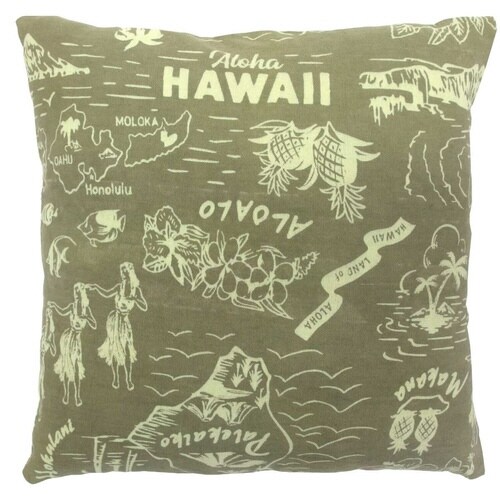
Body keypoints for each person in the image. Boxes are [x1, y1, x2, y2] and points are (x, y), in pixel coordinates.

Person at [88, 262, 147, 391]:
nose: (123, 275)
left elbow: (144, 306)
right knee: (114, 349)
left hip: (125, 322)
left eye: (126, 272)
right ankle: (115, 377)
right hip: (114, 321)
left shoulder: (136, 290)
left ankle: (128, 379)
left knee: (127, 350)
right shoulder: (119, 287)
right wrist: (96, 287)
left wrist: (135, 299)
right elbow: (106, 293)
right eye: (122, 273)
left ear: (131, 273)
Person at [49, 283, 96, 406]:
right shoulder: (72, 307)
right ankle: (66, 393)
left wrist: (87, 317)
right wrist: (54, 306)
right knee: (66, 365)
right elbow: (62, 311)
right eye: (75, 293)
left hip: (77, 340)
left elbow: (94, 324)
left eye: (78, 293)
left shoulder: (86, 309)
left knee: (76, 366)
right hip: (67, 338)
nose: (76, 296)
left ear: (82, 295)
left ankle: (77, 395)